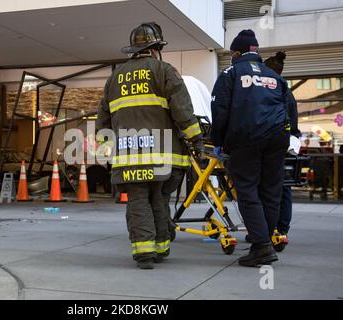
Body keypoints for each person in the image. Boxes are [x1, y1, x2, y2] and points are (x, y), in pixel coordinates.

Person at [96, 22, 202, 269]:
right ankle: (161, 248)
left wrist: (105, 150)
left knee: (138, 200)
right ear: (156, 48)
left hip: (128, 156)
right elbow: (183, 111)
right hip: (163, 156)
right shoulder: (164, 70)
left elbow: (103, 118)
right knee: (159, 197)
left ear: (134, 49)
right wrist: (196, 140)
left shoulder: (115, 78)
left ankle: (144, 252)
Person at [211, 30, 290, 267]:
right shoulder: (275, 76)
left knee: (248, 191)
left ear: (236, 52)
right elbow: (287, 109)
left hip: (246, 137)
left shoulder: (230, 73)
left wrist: (217, 142)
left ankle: (262, 246)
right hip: (277, 138)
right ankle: (263, 241)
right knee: (270, 190)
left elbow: (220, 111)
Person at [264, 51, 301, 239]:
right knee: (284, 186)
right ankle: (281, 229)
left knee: (275, 187)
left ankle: (275, 229)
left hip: (281, 143)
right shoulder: (286, 91)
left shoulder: (277, 91)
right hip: (289, 142)